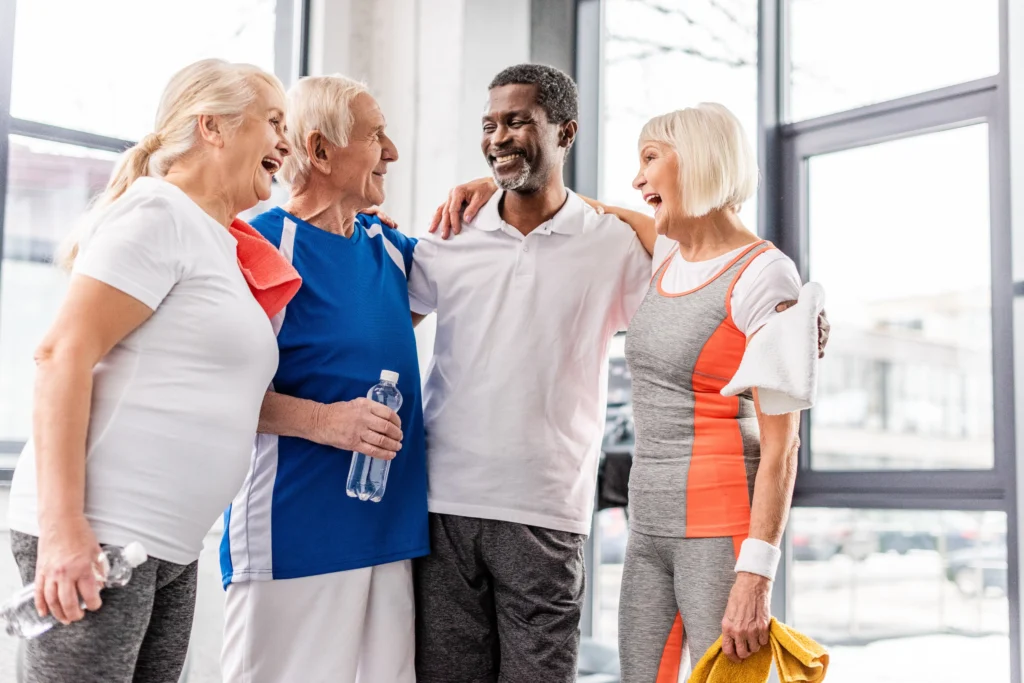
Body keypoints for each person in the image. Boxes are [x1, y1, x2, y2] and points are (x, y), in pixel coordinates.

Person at [7, 59, 293, 683]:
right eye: (273, 122)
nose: (285, 143)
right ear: (212, 127)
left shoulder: (217, 240)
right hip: (103, 531)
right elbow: (61, 355)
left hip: (166, 541)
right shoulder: (159, 214)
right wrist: (64, 533)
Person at [408, 63, 653, 683]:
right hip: (444, 503)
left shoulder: (611, 245)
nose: (498, 138)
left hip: (545, 510)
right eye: (489, 124)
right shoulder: (449, 235)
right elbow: (380, 329)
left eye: (517, 121)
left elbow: (696, 265)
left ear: (565, 132)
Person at [219, 74, 427, 683]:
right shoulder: (260, 247)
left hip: (389, 535)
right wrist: (327, 421)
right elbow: (216, 389)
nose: (391, 152)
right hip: (294, 535)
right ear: (319, 150)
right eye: (377, 137)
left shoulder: (390, 251)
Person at [618, 103, 805, 681]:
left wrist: (757, 574)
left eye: (651, 159)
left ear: (697, 160)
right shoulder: (670, 253)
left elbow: (783, 447)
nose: (638, 178)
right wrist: (494, 191)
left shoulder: (765, 275)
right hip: (645, 526)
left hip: (719, 530)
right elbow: (606, 213)